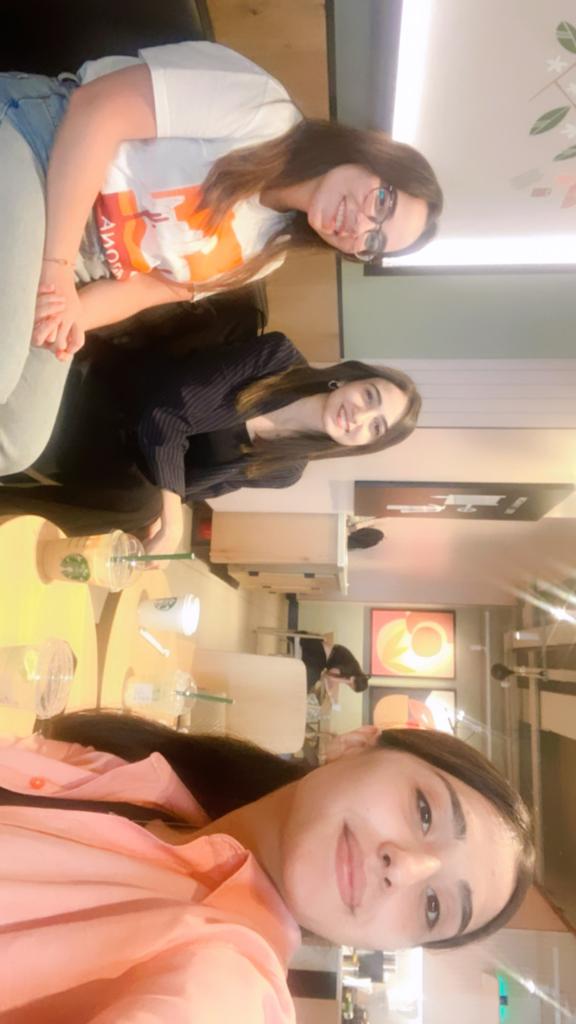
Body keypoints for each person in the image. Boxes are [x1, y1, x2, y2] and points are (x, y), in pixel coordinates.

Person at [0, 39, 442, 476]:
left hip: (73, 266)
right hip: (39, 144)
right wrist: (55, 268)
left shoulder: (266, 253)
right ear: (373, 156)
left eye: (374, 242)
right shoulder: (263, 109)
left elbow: (144, 290)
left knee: (22, 441)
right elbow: (96, 110)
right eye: (382, 201)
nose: (362, 226)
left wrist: (71, 318)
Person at [0, 712, 534, 1021]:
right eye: (424, 811)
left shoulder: (229, 978)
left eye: (434, 907)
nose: (406, 869)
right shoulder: (145, 777)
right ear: (355, 744)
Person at [0, 332, 422, 556]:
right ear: (349, 378)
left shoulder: (287, 470)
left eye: (375, 427)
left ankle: (18, 527)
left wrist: (163, 513)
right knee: (139, 507)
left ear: (363, 444)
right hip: (116, 404)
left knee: (136, 517)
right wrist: (168, 511)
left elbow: (193, 489)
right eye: (369, 396)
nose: (359, 417)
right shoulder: (277, 358)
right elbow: (166, 413)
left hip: (129, 473)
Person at [299, 635, 369, 697]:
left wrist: (330, 689)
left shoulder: (353, 669)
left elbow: (327, 675)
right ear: (354, 680)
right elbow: (328, 675)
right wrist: (345, 681)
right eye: (351, 685)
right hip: (319, 651)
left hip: (322, 656)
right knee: (310, 679)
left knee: (312, 680)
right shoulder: (350, 668)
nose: (349, 686)